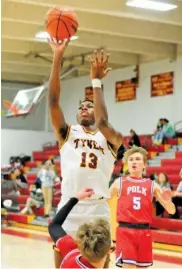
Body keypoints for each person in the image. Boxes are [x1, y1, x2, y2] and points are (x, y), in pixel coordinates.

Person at [48, 41, 123, 267]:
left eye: (89, 105)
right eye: (81, 106)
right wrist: (58, 55)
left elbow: (102, 121)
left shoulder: (111, 138)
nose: (84, 108)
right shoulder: (67, 133)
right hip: (70, 205)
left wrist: (96, 82)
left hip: (97, 208)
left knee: (101, 264)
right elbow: (53, 102)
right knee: (63, 264)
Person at [110, 147, 175, 268]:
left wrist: (167, 201)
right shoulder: (119, 182)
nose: (134, 162)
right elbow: (103, 199)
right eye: (131, 159)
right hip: (125, 231)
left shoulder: (152, 185)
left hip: (144, 232)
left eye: (138, 159)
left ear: (144, 165)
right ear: (126, 164)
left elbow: (171, 210)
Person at [48, 188, 113, 268]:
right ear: (108, 251)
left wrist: (75, 198)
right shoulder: (72, 250)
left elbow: (54, 225)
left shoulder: (72, 251)